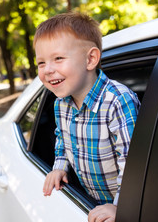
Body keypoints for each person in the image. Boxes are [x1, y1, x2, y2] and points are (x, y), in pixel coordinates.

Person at [34, 12, 140, 222]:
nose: (48, 70)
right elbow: (63, 141)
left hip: (124, 202)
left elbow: (132, 163)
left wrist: (121, 205)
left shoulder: (117, 101)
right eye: (41, 63)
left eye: (58, 58)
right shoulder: (61, 104)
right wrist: (59, 167)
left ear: (90, 59)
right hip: (91, 200)